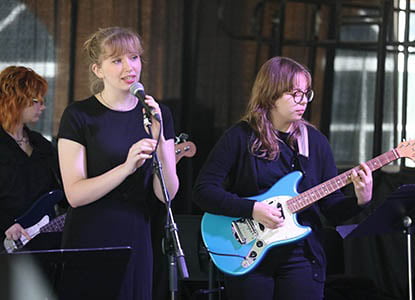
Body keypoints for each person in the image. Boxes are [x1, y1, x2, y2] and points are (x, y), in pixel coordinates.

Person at [193, 56, 373, 300]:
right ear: (270, 95)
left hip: (302, 256)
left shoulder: (315, 142)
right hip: (250, 256)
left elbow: (331, 210)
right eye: (293, 93)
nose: (302, 101)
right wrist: (252, 209)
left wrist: (360, 200)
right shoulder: (240, 137)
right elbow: (203, 190)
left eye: (305, 93)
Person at [57, 27, 179, 300]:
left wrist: (159, 137)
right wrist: (126, 168)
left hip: (136, 233)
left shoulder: (158, 114)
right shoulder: (79, 115)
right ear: (98, 70)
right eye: (117, 60)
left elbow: (167, 194)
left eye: (134, 58)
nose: (130, 67)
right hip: (89, 235)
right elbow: (75, 194)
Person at [0, 66, 63, 250]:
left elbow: (60, 192)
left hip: (41, 244)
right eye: (36, 100)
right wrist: (5, 223)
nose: (42, 106)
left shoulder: (41, 144)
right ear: (15, 100)